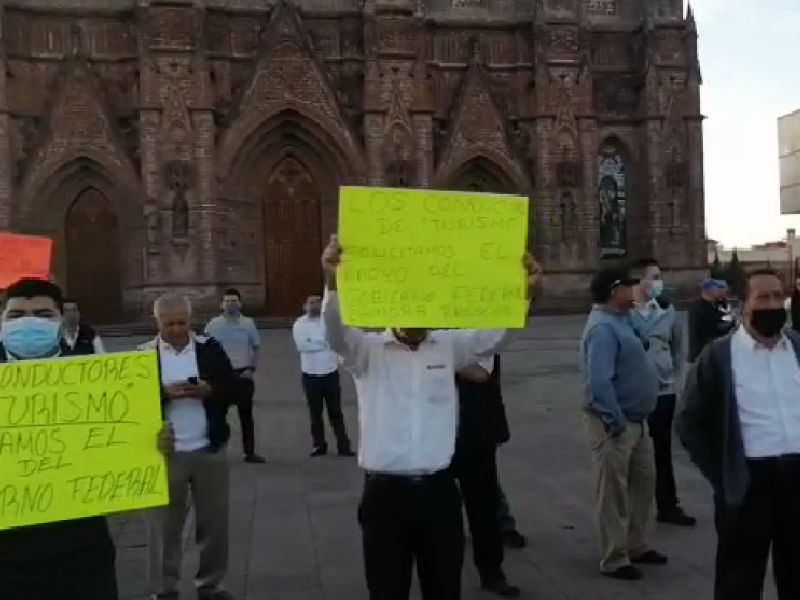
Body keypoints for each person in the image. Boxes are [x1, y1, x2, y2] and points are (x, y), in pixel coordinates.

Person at [321, 234, 541, 600]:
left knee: (444, 589)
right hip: (385, 495)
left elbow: (496, 337)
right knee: (387, 590)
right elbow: (335, 333)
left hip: (439, 493)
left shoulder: (448, 346)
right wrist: (332, 282)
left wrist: (524, 292)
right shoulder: (367, 352)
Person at [0, 278, 173, 600]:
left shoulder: (98, 378)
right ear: (2, 321)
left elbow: (122, 447)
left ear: (59, 320)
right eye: (16, 315)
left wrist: (152, 443)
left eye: (42, 314)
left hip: (80, 551)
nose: (28, 323)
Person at [678, 268, 800, 600]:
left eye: (778, 296)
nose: (772, 304)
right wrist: (723, 474)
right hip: (748, 484)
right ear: (743, 304)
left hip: (797, 479)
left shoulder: (797, 349)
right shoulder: (719, 356)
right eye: (762, 297)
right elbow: (690, 421)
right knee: (739, 582)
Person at [145, 294, 236, 600]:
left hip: (208, 449)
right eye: (168, 323)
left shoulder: (209, 349)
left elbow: (236, 389)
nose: (175, 329)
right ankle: (165, 589)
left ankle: (210, 585)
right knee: (164, 528)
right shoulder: (143, 356)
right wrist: (163, 394)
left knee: (214, 526)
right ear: (156, 322)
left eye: (181, 322)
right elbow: (132, 405)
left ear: (190, 319)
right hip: (166, 453)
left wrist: (209, 390)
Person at [580, 267, 666, 581]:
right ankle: (614, 557)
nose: (638, 288)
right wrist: (614, 420)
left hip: (637, 420)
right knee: (613, 492)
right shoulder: (603, 328)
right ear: (615, 290)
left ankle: (636, 542)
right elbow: (598, 381)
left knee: (643, 484)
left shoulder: (622, 320)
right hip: (616, 423)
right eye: (631, 285)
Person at [628, 258, 694, 526]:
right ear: (638, 280)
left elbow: (679, 350)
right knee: (633, 455)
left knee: (662, 451)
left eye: (659, 276)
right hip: (634, 395)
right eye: (653, 276)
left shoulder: (667, 312)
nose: (659, 282)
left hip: (663, 392)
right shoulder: (622, 313)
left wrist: (677, 383)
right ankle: (633, 510)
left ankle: (668, 505)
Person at [454, 354, 520, 597]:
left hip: (475, 433)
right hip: (434, 437)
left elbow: (481, 372)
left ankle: (492, 572)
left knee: (484, 507)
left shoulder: (477, 332)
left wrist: (433, 356)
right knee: (442, 514)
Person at [204, 288, 265, 463]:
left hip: (243, 374)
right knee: (218, 416)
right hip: (221, 377)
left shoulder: (248, 323)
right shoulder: (213, 325)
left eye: (234, 301)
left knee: (246, 417)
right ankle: (217, 448)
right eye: (228, 301)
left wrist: (251, 368)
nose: (231, 304)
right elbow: (205, 348)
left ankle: (249, 452)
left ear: (240, 304)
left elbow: (256, 347)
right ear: (221, 305)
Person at [292, 294, 354, 457]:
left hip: (330, 372)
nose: (315, 306)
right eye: (311, 303)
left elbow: (336, 342)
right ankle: (319, 445)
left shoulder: (329, 323)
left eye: (318, 303)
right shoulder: (299, 324)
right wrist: (323, 343)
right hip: (310, 375)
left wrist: (316, 342)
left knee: (336, 412)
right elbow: (302, 345)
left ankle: (343, 445)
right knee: (315, 413)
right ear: (305, 305)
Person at [688, 279, 735, 362]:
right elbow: (706, 329)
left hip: (712, 350)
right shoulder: (699, 308)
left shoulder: (713, 305)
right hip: (702, 351)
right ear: (711, 291)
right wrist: (727, 326)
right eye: (716, 289)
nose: (719, 292)